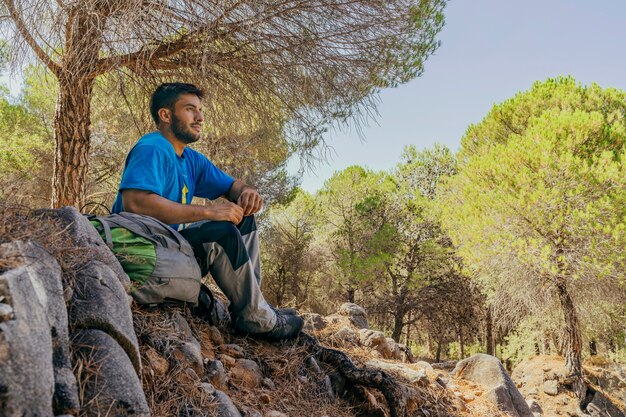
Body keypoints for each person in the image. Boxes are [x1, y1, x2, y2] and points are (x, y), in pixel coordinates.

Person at [111, 82, 303, 340]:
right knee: (219, 230)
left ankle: (255, 306)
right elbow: (135, 203)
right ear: (165, 115)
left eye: (200, 110)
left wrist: (246, 192)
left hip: (170, 249)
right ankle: (258, 320)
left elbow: (232, 185)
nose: (200, 117)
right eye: (190, 109)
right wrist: (208, 212)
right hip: (144, 251)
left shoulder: (190, 159)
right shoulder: (153, 147)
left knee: (243, 217)